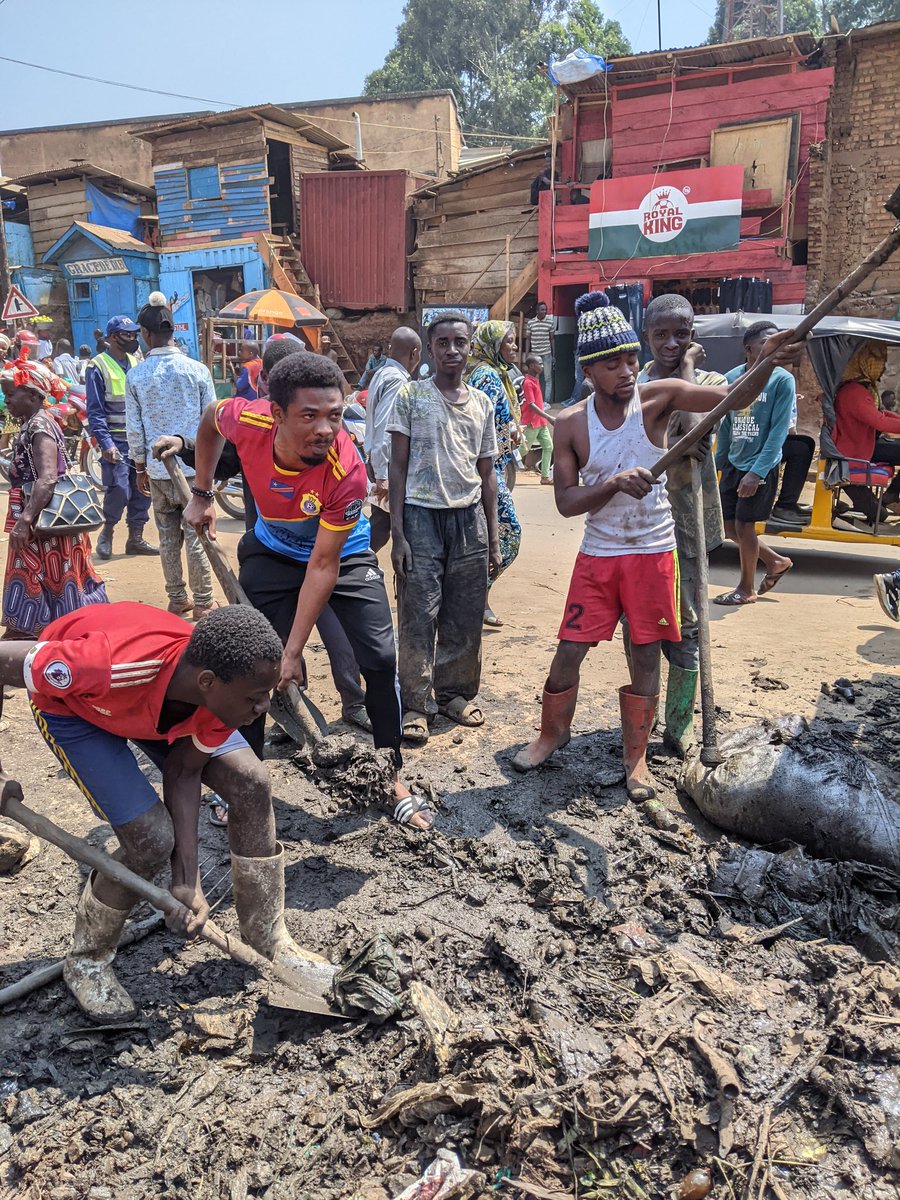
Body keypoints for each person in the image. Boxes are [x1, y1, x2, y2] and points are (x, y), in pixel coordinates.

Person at [511, 292, 797, 800]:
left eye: (628, 360)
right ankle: (551, 733)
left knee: (645, 655)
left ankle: (636, 758)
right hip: (599, 556)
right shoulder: (573, 423)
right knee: (569, 651)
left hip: (652, 553)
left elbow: (737, 400)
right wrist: (613, 484)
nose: (625, 371)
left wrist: (766, 359)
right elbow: (566, 502)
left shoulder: (659, 396)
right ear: (587, 371)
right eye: (611, 364)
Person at [0, 603, 317, 1023]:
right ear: (208, 682)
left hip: (163, 713)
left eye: (266, 695)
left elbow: (183, 770)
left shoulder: (223, 691)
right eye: (255, 698)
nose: (264, 708)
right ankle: (88, 959)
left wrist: (187, 883)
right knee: (149, 838)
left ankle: (267, 938)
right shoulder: (102, 664)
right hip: (77, 709)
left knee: (251, 783)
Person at [183, 351, 434, 831]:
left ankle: (391, 777)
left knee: (380, 660)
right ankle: (244, 780)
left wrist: (293, 652)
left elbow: (322, 565)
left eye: (335, 415)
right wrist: (202, 492)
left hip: (341, 553)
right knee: (252, 664)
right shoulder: (248, 418)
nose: (326, 428)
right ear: (277, 414)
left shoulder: (346, 470)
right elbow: (210, 420)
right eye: (310, 415)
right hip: (274, 548)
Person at [389, 313, 500, 745]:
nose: (452, 350)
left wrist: (492, 538)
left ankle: (454, 694)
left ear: (470, 347)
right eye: (443, 343)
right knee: (419, 613)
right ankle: (416, 705)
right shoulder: (412, 396)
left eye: (460, 342)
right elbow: (397, 467)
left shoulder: (481, 404)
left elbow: (488, 474)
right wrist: (397, 534)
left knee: (465, 613)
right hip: (420, 517)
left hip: (468, 518)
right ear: (430, 349)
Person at [636, 294, 727, 756]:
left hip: (690, 519)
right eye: (661, 335)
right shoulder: (635, 386)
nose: (672, 343)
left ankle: (679, 726)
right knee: (651, 622)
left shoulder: (710, 380)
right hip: (647, 521)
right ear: (646, 335)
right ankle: (645, 721)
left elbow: (693, 430)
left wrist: (687, 368)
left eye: (683, 334)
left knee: (690, 622)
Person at [1, 353, 107, 654]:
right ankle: (35, 648)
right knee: (57, 581)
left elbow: (47, 478)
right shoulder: (37, 422)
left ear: (33, 395)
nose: (6, 400)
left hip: (43, 525)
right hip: (44, 523)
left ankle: (32, 652)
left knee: (47, 580)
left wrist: (25, 521)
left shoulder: (39, 427)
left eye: (11, 394)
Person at [126, 293, 216, 620]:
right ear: (172, 331)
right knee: (195, 534)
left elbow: (134, 428)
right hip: (195, 468)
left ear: (146, 334)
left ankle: (177, 599)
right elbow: (212, 421)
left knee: (167, 535)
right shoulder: (197, 370)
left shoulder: (136, 375)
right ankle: (204, 602)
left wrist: (139, 466)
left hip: (157, 469)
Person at [714, 321, 795, 606]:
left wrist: (757, 472)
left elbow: (778, 432)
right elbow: (725, 425)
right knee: (727, 526)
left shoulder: (782, 380)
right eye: (768, 341)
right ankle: (776, 561)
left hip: (760, 466)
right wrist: (717, 463)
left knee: (745, 526)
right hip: (734, 463)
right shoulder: (732, 378)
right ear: (749, 348)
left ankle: (746, 589)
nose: (776, 346)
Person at [86, 316, 158, 561]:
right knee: (119, 490)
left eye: (134, 334)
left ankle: (135, 539)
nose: (133, 338)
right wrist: (105, 444)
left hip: (138, 440)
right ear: (113, 337)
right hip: (115, 442)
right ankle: (107, 533)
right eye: (127, 334)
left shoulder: (136, 363)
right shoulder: (97, 366)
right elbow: (95, 412)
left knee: (143, 490)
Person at [466, 320, 522, 627]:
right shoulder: (487, 375)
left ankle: (477, 601)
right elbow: (480, 424)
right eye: (509, 341)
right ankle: (476, 599)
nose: (514, 346)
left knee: (492, 536)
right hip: (486, 467)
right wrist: (505, 434)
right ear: (493, 345)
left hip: (496, 464)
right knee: (508, 532)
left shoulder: (498, 373)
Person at [364, 327, 422, 554]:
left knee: (382, 525)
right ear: (415, 352)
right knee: (382, 527)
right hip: (388, 465)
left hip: (379, 461)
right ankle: (349, 567)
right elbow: (385, 428)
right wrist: (383, 476)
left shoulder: (382, 373)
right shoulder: (397, 381)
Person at [832, 341, 900, 527]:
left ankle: (890, 497)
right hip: (856, 451)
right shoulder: (854, 392)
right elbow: (879, 421)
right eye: (878, 361)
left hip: (864, 445)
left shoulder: (861, 388)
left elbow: (881, 413)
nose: (882, 367)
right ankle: (892, 495)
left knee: (880, 514)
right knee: (881, 516)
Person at [520, 352, 553, 483]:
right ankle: (503, 467)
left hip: (540, 422)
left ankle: (545, 476)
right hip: (532, 422)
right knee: (523, 450)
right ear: (532, 366)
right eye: (539, 364)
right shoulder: (528, 383)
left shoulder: (535, 380)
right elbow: (531, 405)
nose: (542, 366)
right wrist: (549, 417)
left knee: (548, 446)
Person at [526, 301, 556, 403]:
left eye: (545, 309)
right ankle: (536, 401)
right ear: (537, 311)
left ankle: (546, 402)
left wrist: (553, 354)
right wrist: (527, 354)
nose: (544, 311)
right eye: (542, 309)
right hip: (535, 355)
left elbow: (552, 339)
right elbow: (528, 339)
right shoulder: (531, 323)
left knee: (548, 378)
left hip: (547, 353)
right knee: (535, 378)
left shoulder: (550, 322)